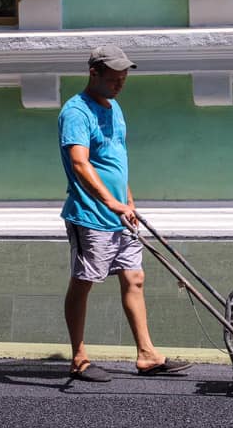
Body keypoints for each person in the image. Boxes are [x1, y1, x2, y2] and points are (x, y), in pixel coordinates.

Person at [58, 44, 192, 382]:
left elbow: (116, 160)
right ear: (94, 73)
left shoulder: (114, 108)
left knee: (134, 277)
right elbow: (79, 162)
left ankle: (147, 354)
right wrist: (109, 201)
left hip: (120, 214)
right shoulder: (76, 112)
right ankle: (79, 357)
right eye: (114, 78)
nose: (120, 84)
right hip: (90, 215)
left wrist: (128, 201)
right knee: (85, 280)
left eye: (124, 78)